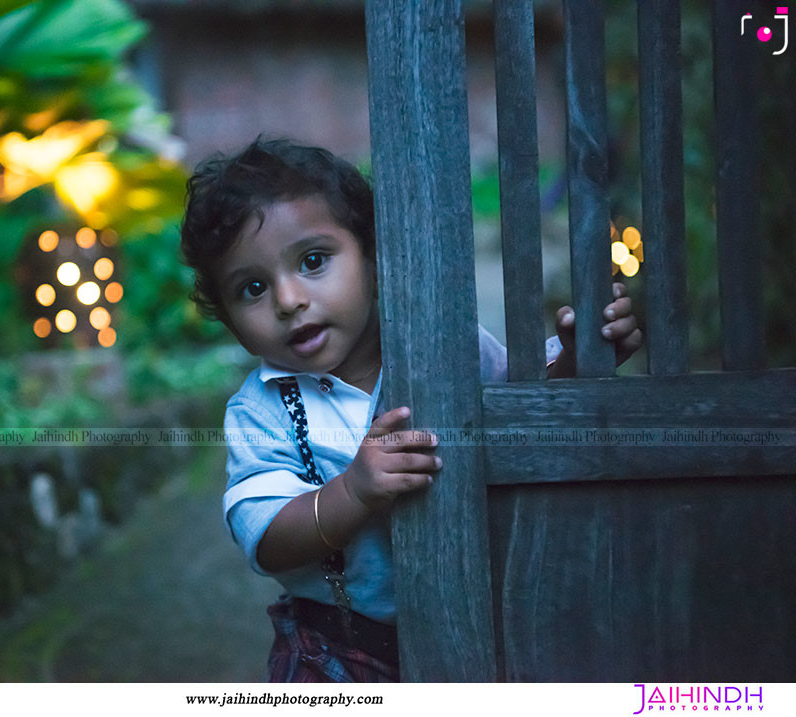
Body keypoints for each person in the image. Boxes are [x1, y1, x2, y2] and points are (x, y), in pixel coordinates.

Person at [180, 138, 643, 682]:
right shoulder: (262, 411)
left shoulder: (441, 345)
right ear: (230, 320)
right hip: (334, 649)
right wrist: (350, 492)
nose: (288, 300)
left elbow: (515, 409)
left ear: (373, 259)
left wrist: (578, 355)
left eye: (312, 261)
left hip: (476, 626)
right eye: (252, 287)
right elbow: (264, 536)